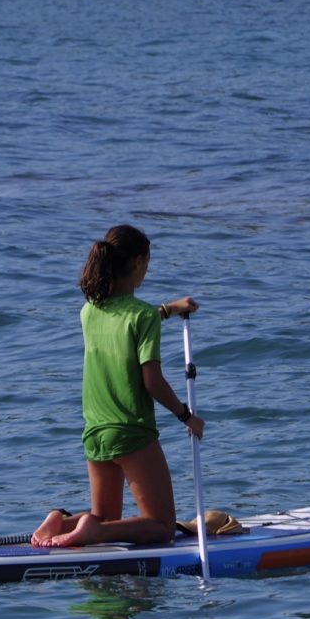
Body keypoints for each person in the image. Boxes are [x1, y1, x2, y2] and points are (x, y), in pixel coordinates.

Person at [32, 225, 205, 548]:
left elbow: (126, 320)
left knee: (106, 516)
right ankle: (93, 532)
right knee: (161, 527)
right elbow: (151, 381)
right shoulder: (142, 317)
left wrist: (167, 309)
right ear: (138, 262)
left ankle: (61, 523)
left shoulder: (89, 311)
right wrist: (186, 416)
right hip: (131, 430)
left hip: (95, 430)